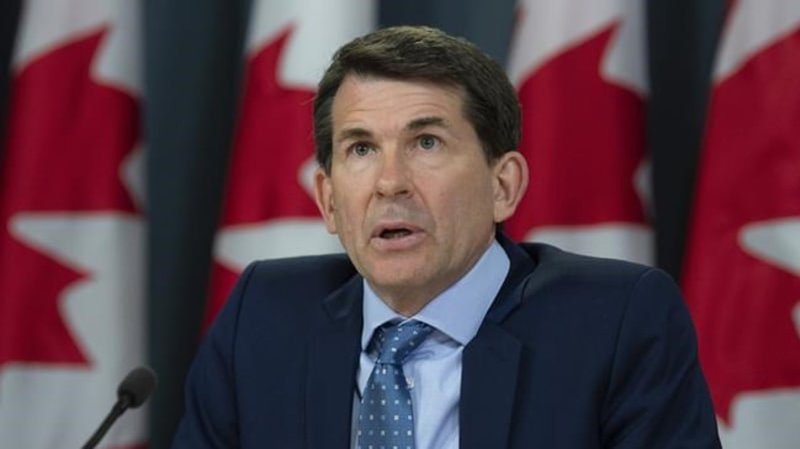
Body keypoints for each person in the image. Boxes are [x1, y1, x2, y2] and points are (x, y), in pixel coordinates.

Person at [171, 26, 721, 449]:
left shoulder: (617, 322)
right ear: (329, 200)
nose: (390, 182)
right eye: (361, 148)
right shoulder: (263, 317)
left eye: (427, 143)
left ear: (503, 186)